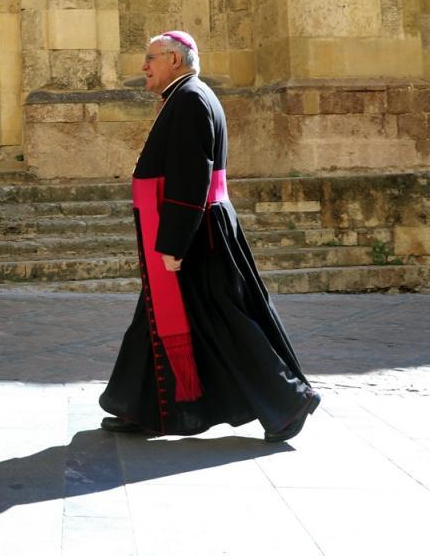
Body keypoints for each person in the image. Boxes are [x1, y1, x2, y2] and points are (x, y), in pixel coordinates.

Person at [99, 31, 320, 442]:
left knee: (226, 319)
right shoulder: (188, 96)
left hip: (198, 233)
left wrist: (172, 244)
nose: (143, 67)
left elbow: (190, 176)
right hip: (199, 227)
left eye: (150, 58)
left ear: (175, 61)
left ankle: (289, 402)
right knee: (157, 315)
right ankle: (138, 406)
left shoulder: (189, 100)